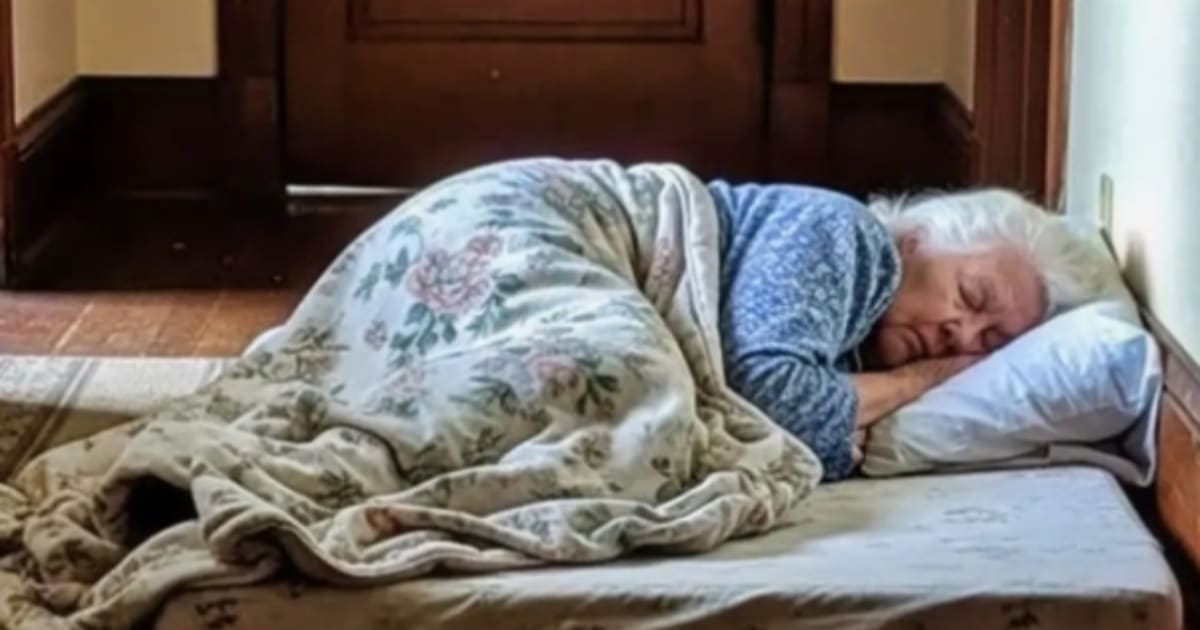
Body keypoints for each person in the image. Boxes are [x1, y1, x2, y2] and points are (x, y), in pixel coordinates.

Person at [710, 183, 1107, 481]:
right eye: (969, 296)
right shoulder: (844, 232)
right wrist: (918, 378)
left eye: (989, 342)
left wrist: (836, 412)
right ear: (915, 242)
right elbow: (769, 398)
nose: (962, 337)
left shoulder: (857, 346)